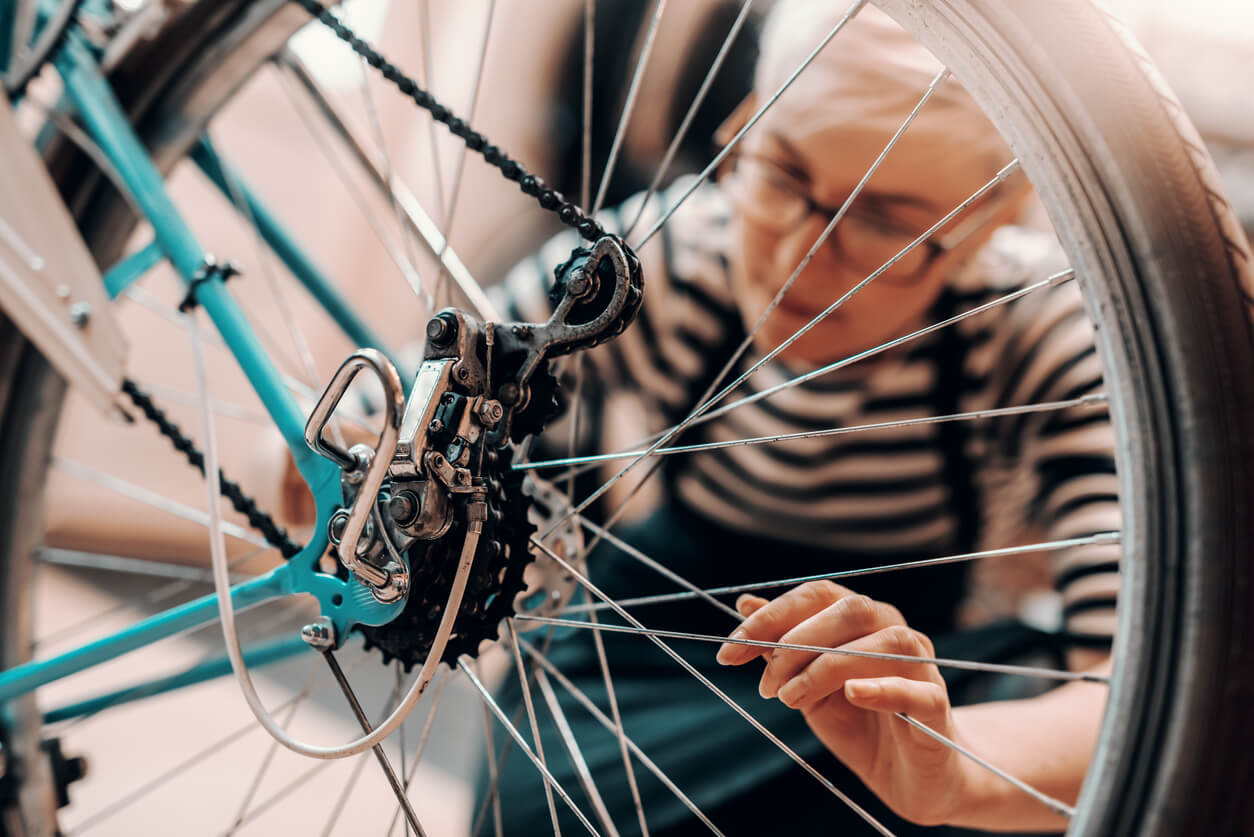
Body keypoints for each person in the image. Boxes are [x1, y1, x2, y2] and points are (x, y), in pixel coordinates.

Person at [485, 2, 1119, 834]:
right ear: (744, 129)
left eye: (884, 223)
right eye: (783, 173)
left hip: (882, 695)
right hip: (644, 670)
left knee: (1015, 701)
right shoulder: (670, 259)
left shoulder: (1032, 329)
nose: (799, 257)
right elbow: (424, 402)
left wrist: (958, 766)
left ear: (984, 226)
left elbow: (1139, 675)